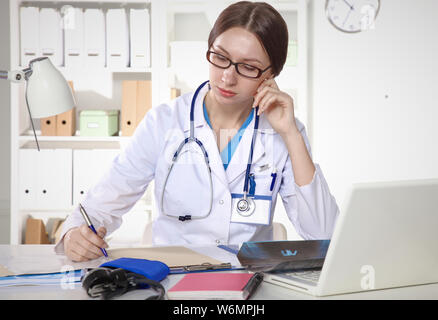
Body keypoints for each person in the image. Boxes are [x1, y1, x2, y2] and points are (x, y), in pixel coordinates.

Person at [56, 1, 339, 262]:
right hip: (173, 281)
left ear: (271, 74)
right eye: (220, 57)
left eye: (248, 67)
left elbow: (325, 234)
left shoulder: (284, 131)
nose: (228, 76)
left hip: (247, 282)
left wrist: (290, 134)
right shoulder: (164, 123)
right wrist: (73, 235)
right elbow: (97, 208)